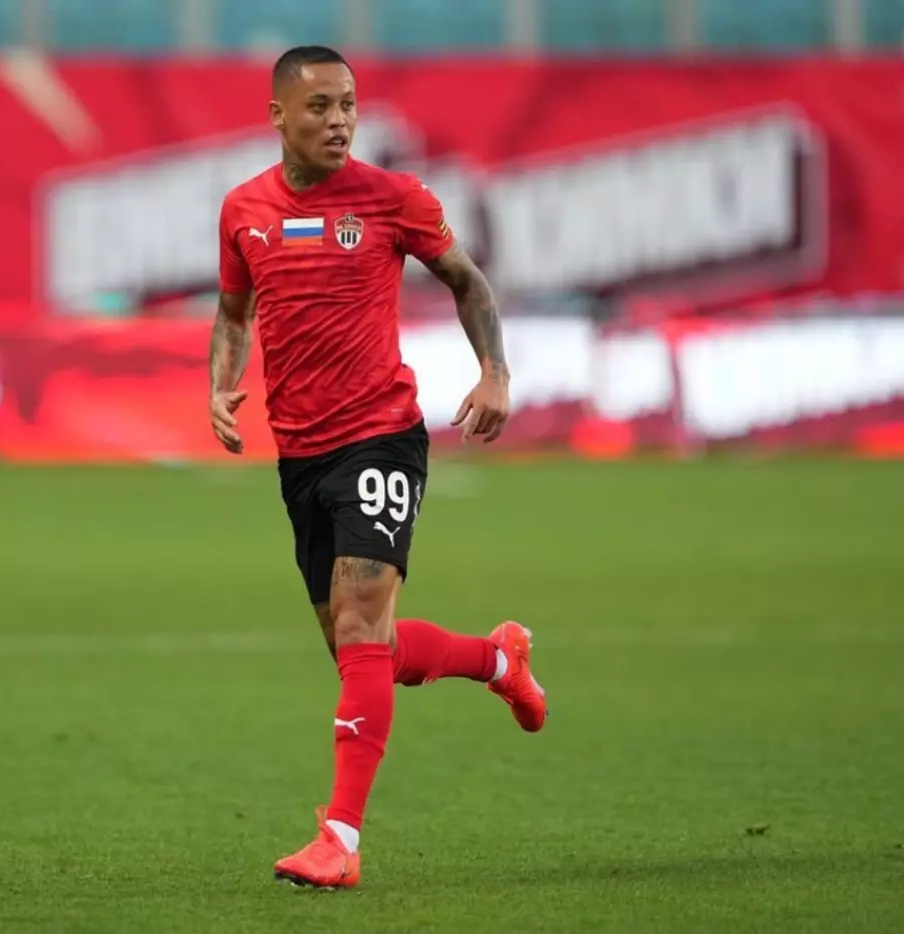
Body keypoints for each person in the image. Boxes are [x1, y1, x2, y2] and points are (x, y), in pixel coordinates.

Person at [210, 46, 548, 890]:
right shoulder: (244, 210)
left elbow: (468, 282)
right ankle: (498, 661)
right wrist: (220, 383)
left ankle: (340, 841)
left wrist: (495, 373)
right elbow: (232, 311)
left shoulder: (395, 198)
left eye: (348, 105)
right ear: (278, 116)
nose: (339, 121)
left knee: (362, 624)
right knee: (365, 651)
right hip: (301, 454)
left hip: (381, 437)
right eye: (319, 106)